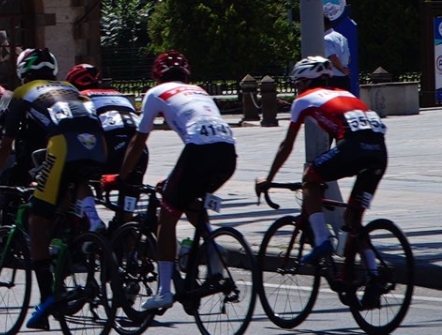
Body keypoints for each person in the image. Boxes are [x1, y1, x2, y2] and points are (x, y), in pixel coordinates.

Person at [0, 48, 106, 331]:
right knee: (69, 193)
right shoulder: (72, 87)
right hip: (98, 145)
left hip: (62, 146)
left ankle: (48, 298)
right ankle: (87, 226)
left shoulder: (23, 92)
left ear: (23, 71)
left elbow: (6, 146)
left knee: (37, 220)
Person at [112, 50, 238, 313]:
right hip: (228, 153)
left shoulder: (156, 93)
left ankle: (164, 292)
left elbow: (138, 140)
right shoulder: (199, 90)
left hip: (198, 153)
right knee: (189, 200)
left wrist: (121, 176)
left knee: (167, 218)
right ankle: (213, 253)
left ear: (157, 75)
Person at [258, 56, 389, 284]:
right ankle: (374, 275)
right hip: (378, 153)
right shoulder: (346, 94)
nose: (297, 88)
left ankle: (321, 241)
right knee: (353, 218)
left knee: (310, 177)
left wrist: (268, 179)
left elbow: (286, 145)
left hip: (354, 147)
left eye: (298, 83)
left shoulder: (304, 99)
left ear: (307, 81)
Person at [67, 62, 143, 185]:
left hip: (111, 145)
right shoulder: (119, 95)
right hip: (138, 147)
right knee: (131, 192)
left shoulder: (81, 97)